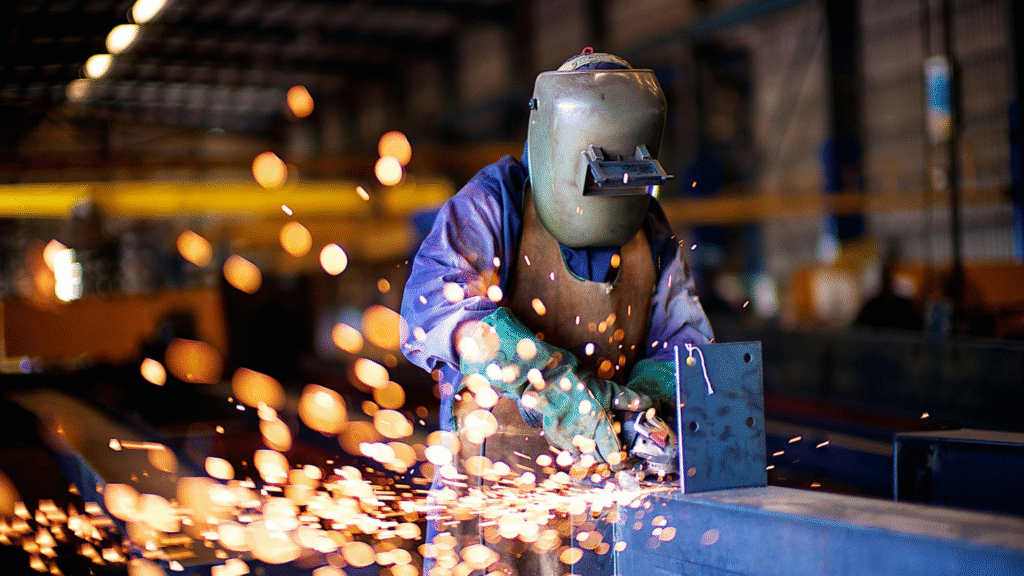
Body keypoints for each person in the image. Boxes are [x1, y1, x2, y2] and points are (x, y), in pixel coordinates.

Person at [400, 49, 714, 576]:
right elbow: (437, 311)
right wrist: (552, 384)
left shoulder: (654, 233)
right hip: (496, 494)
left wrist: (645, 409)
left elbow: (686, 346)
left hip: (612, 487)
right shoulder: (493, 202)